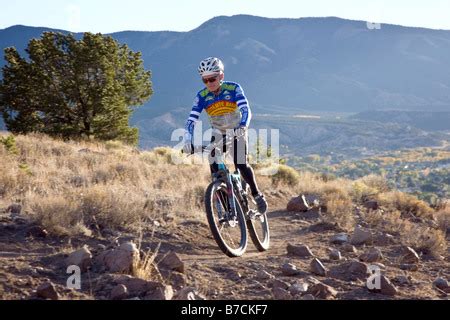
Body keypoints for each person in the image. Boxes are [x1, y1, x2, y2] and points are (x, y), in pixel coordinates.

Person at [183, 57, 268, 214]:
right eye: (205, 80)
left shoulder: (233, 88)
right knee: (214, 167)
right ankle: (229, 209)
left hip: (237, 131)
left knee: (240, 163)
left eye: (212, 79)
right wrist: (188, 139)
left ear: (220, 76)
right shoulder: (201, 96)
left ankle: (257, 195)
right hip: (218, 133)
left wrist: (243, 126)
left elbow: (246, 110)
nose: (209, 83)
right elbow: (191, 119)